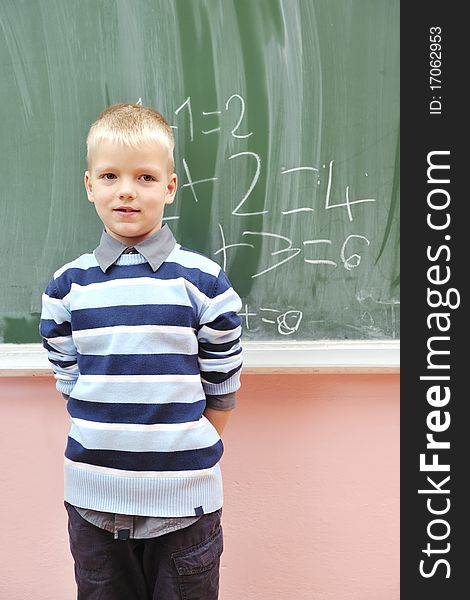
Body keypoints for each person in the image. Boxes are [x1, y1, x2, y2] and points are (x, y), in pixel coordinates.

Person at [39, 103, 243, 600]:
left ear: (170, 188)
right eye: (110, 175)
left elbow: (222, 381)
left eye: (145, 177)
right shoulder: (67, 287)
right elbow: (68, 376)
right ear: (90, 186)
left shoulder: (203, 282)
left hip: (184, 509)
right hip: (93, 504)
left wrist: (183, 455)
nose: (126, 189)